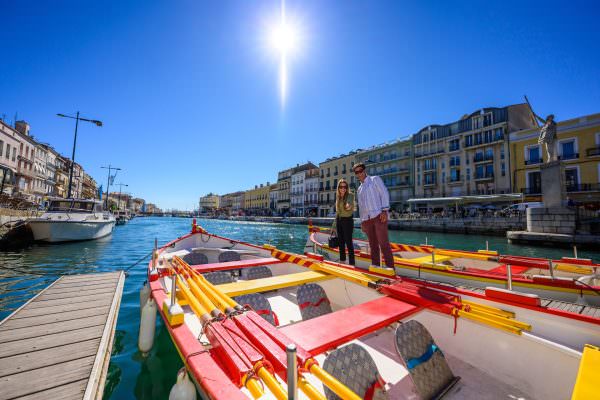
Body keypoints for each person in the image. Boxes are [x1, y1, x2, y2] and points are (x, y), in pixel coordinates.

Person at [353, 162, 394, 270]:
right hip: (367, 220)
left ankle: (391, 269)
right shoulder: (359, 189)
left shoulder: (375, 179)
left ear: (364, 170)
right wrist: (362, 221)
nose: (359, 173)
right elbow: (361, 207)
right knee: (373, 245)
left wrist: (385, 210)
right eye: (357, 172)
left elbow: (384, 193)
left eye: (361, 171)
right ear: (356, 174)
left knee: (384, 243)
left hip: (378, 216)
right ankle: (376, 266)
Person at [335, 179, 355, 265]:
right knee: (341, 242)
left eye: (344, 187)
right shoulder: (338, 198)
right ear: (338, 188)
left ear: (347, 188)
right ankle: (342, 261)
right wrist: (333, 227)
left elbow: (349, 204)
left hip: (347, 221)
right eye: (341, 187)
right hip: (339, 221)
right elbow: (338, 213)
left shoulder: (350, 195)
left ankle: (352, 264)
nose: (343, 189)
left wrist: (348, 206)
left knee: (349, 242)